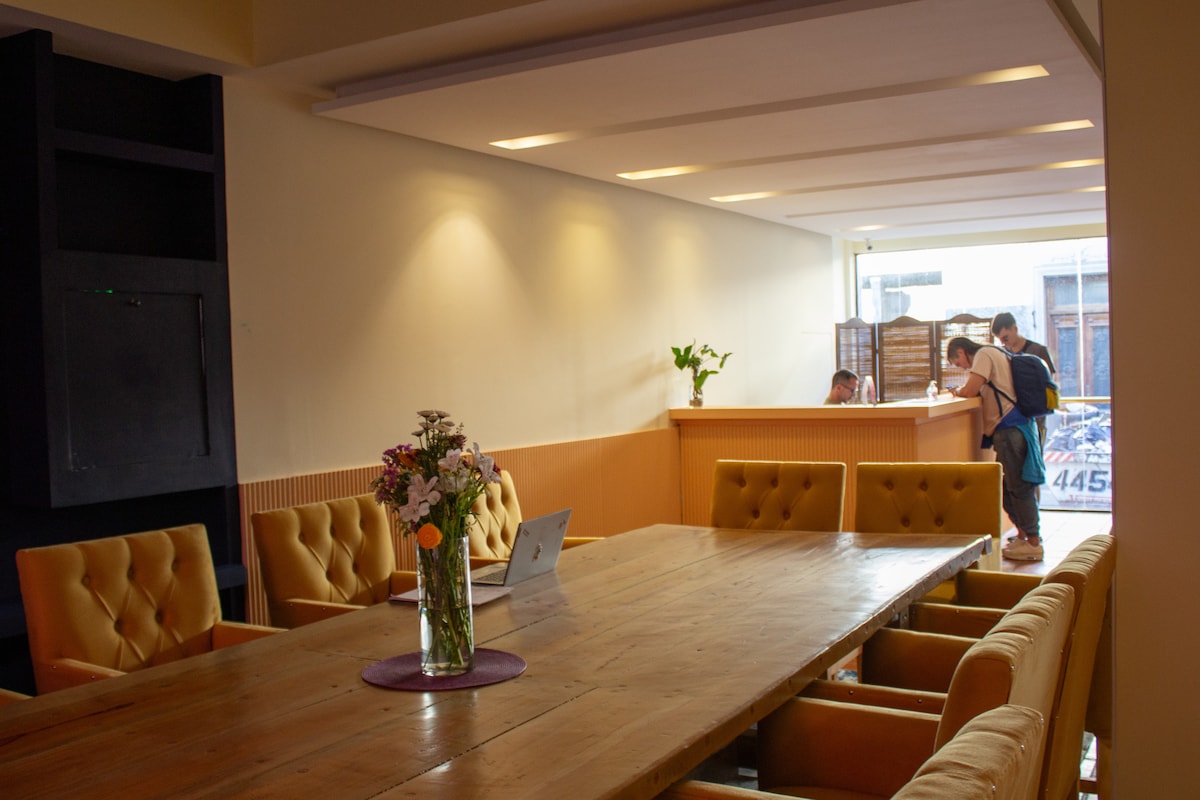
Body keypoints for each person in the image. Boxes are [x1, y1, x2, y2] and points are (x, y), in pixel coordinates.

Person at [946, 337, 1045, 561]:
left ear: (961, 351)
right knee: (1010, 488)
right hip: (1017, 427)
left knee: (1018, 488)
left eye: (959, 363)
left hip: (1010, 430)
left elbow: (971, 390)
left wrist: (957, 391)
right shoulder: (999, 353)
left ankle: (1032, 542)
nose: (964, 368)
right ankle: (1024, 537)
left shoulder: (984, 355)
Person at [990, 312, 1056, 446]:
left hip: (1035, 413)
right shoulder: (1001, 354)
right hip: (1011, 416)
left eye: (1005, 338)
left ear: (1014, 329)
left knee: (1035, 451)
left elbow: (1049, 381)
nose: (1003, 342)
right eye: (1000, 340)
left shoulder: (1038, 351)